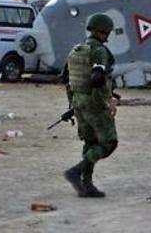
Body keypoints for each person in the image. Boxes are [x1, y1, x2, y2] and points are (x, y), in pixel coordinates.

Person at [62, 13, 118, 198]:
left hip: (79, 100)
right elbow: (97, 78)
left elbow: (66, 79)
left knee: (91, 142)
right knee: (109, 142)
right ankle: (76, 172)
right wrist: (108, 100)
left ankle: (87, 185)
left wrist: (72, 103)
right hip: (94, 102)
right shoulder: (98, 51)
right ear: (103, 30)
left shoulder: (77, 50)